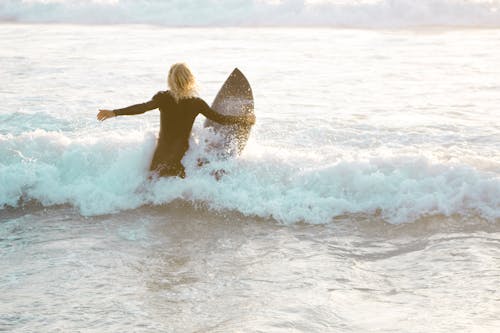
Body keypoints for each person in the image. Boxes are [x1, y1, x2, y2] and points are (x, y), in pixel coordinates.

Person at [97, 63, 255, 178]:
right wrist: (244, 119)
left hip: (161, 155)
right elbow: (220, 119)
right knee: (179, 191)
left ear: (170, 80)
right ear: (190, 79)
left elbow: (142, 108)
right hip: (182, 156)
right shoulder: (196, 103)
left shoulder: (163, 98)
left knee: (154, 188)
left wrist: (114, 112)